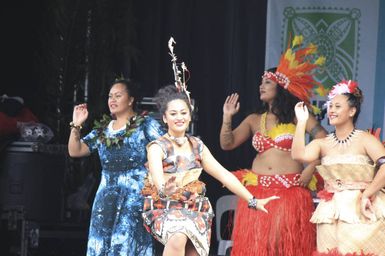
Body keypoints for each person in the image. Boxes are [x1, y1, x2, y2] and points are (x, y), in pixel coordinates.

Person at [141, 84, 279, 256]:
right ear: (164, 118)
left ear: (190, 116)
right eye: (173, 113)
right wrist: (165, 189)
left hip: (194, 208)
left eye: (183, 113)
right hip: (165, 207)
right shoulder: (157, 147)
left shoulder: (197, 146)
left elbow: (225, 176)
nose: (179, 117)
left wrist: (253, 201)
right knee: (177, 237)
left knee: (193, 252)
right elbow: (158, 182)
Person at [220, 35, 328, 255]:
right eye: (261, 82)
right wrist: (227, 117)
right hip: (257, 189)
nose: (261, 86)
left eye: (267, 82)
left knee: (280, 245)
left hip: (289, 191)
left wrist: (311, 168)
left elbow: (324, 141)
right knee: (258, 247)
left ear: (281, 86)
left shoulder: (299, 117)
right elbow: (227, 144)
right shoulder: (253, 119)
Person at [68, 79, 165, 256]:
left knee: (127, 245)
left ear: (130, 100)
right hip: (105, 199)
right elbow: (76, 150)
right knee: (102, 244)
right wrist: (76, 125)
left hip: (134, 198)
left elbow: (168, 149)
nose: (112, 100)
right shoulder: (103, 129)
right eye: (110, 96)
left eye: (118, 95)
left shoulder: (146, 124)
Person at [292, 80, 385, 255]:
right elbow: (299, 155)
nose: (331, 110)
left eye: (337, 106)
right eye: (330, 106)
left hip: (361, 208)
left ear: (352, 111)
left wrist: (367, 193)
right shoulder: (322, 143)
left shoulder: (365, 139)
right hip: (331, 209)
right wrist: (302, 123)